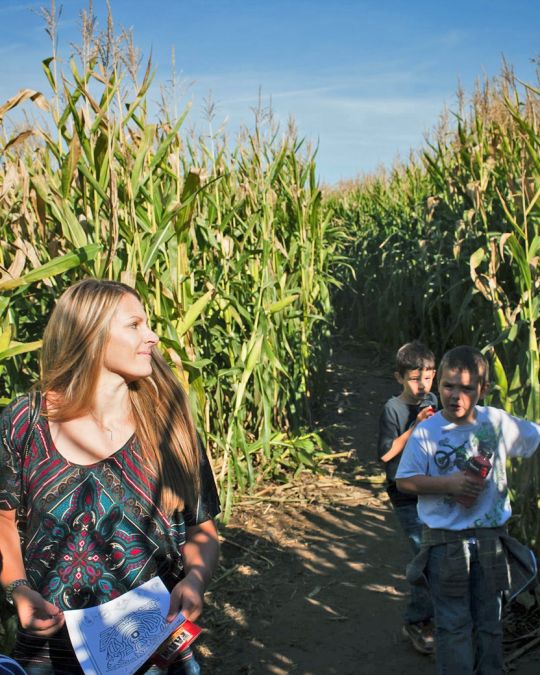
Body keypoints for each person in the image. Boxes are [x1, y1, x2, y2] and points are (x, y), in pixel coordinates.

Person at [0, 279, 220, 674]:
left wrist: (196, 579)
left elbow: (201, 528)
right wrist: (18, 589)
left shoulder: (170, 426)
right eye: (134, 325)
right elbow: (2, 518)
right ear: (91, 335)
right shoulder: (25, 422)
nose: (152, 337)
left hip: (151, 649)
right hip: (50, 652)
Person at [396, 345, 540, 674]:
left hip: (491, 541)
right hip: (445, 544)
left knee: (491, 622)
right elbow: (405, 481)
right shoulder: (427, 433)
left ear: (483, 389)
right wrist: (448, 484)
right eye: (448, 386)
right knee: (453, 626)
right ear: (439, 385)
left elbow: (535, 438)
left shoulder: (498, 422)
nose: (455, 396)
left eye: (466, 388)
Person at [377, 340, 436, 654]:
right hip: (405, 496)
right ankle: (419, 620)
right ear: (399, 377)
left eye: (428, 377)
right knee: (425, 557)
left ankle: (433, 617)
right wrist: (415, 428)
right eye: (415, 378)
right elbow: (386, 454)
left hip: (435, 492)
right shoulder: (394, 408)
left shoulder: (436, 400)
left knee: (436, 556)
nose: (422, 384)